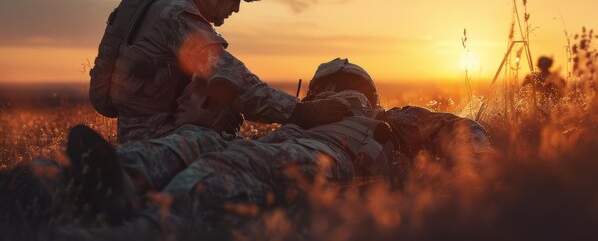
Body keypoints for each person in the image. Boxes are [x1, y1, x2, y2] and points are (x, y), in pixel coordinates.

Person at [52, 59, 494, 236]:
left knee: (233, 160)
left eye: (344, 89)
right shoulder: (300, 115)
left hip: (333, 160)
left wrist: (475, 177)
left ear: (366, 96)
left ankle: (130, 228)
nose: (333, 95)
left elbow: (461, 129)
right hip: (280, 149)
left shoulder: (387, 118)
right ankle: (115, 175)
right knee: (196, 141)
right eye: (327, 89)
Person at [89, 0, 350, 143]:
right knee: (261, 158)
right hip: (159, 142)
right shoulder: (178, 15)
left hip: (143, 137)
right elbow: (232, 78)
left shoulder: (162, 1)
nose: (235, 9)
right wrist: (300, 112)